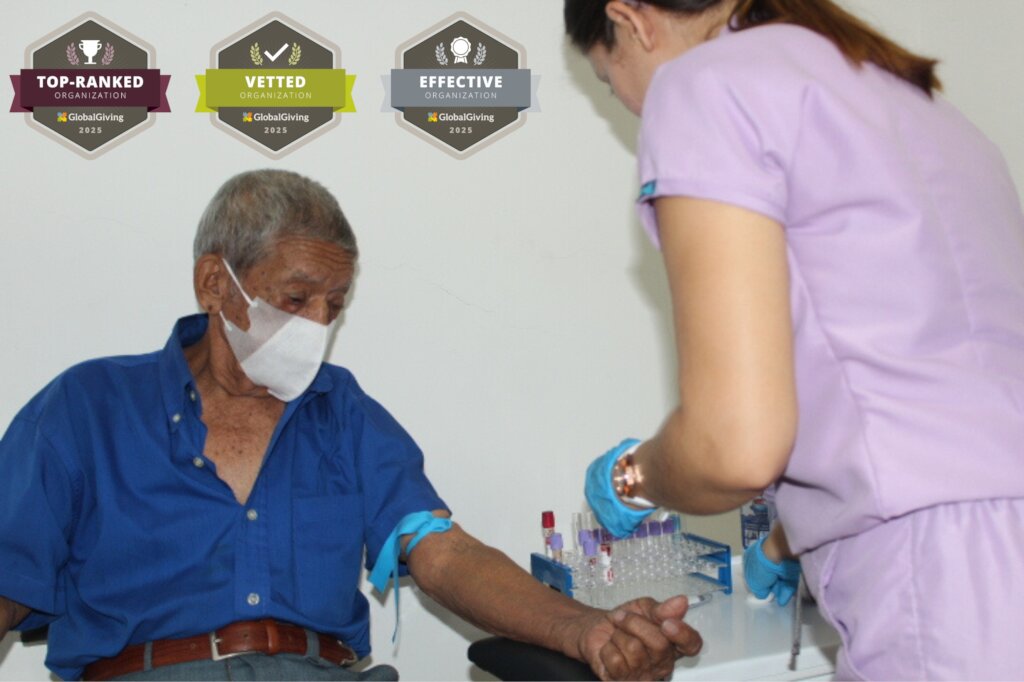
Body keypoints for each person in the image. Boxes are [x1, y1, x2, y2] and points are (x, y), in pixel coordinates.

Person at [0, 170, 704, 682]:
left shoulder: (342, 413)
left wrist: (586, 631)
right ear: (215, 285)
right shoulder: (86, 408)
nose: (316, 326)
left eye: (333, 306)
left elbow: (444, 555)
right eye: (295, 298)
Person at [566, 0, 1024, 679]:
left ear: (631, 21)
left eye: (611, 81)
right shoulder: (905, 92)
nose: (629, 104)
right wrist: (791, 539)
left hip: (945, 584)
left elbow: (734, 448)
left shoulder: (705, 84)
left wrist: (634, 476)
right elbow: (916, 388)